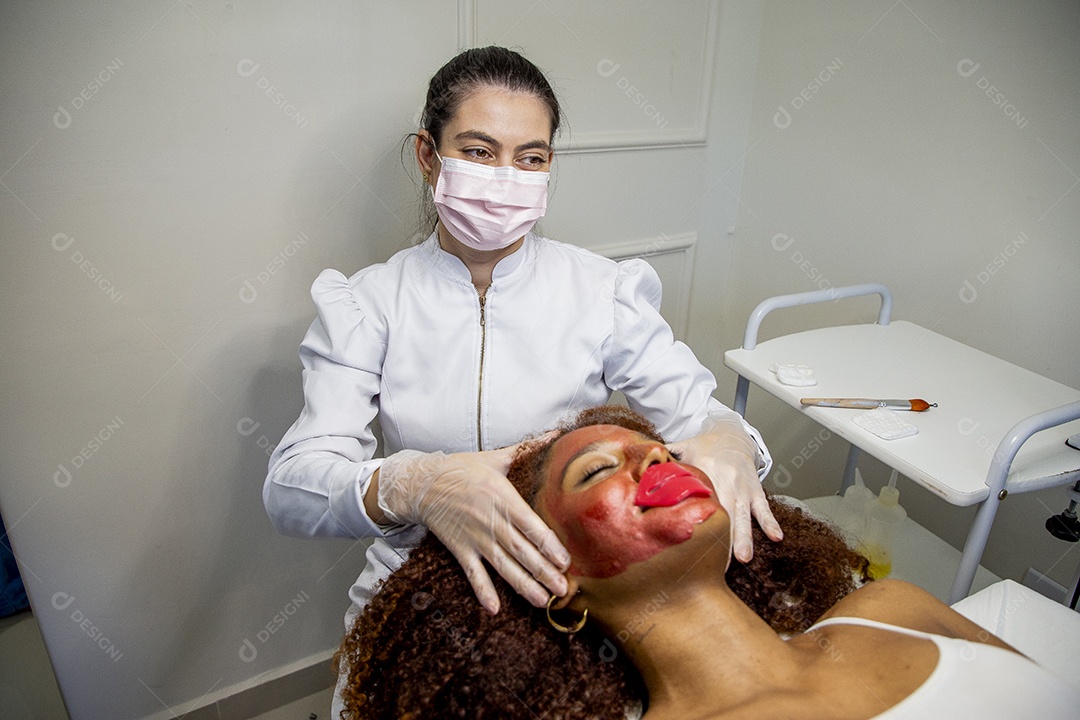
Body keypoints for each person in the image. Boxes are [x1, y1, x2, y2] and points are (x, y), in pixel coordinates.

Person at [264, 44, 781, 625]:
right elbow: (292, 487)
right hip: (415, 588)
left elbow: (702, 419)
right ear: (428, 156)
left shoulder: (603, 292)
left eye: (530, 158)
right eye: (479, 151)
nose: (504, 178)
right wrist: (420, 485)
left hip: (566, 584)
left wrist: (729, 441)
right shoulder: (366, 304)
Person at [335, 406, 1080, 719]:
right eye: (597, 472)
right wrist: (401, 481)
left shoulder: (894, 608)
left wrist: (719, 427)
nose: (655, 457)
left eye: (661, 451)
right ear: (560, 582)